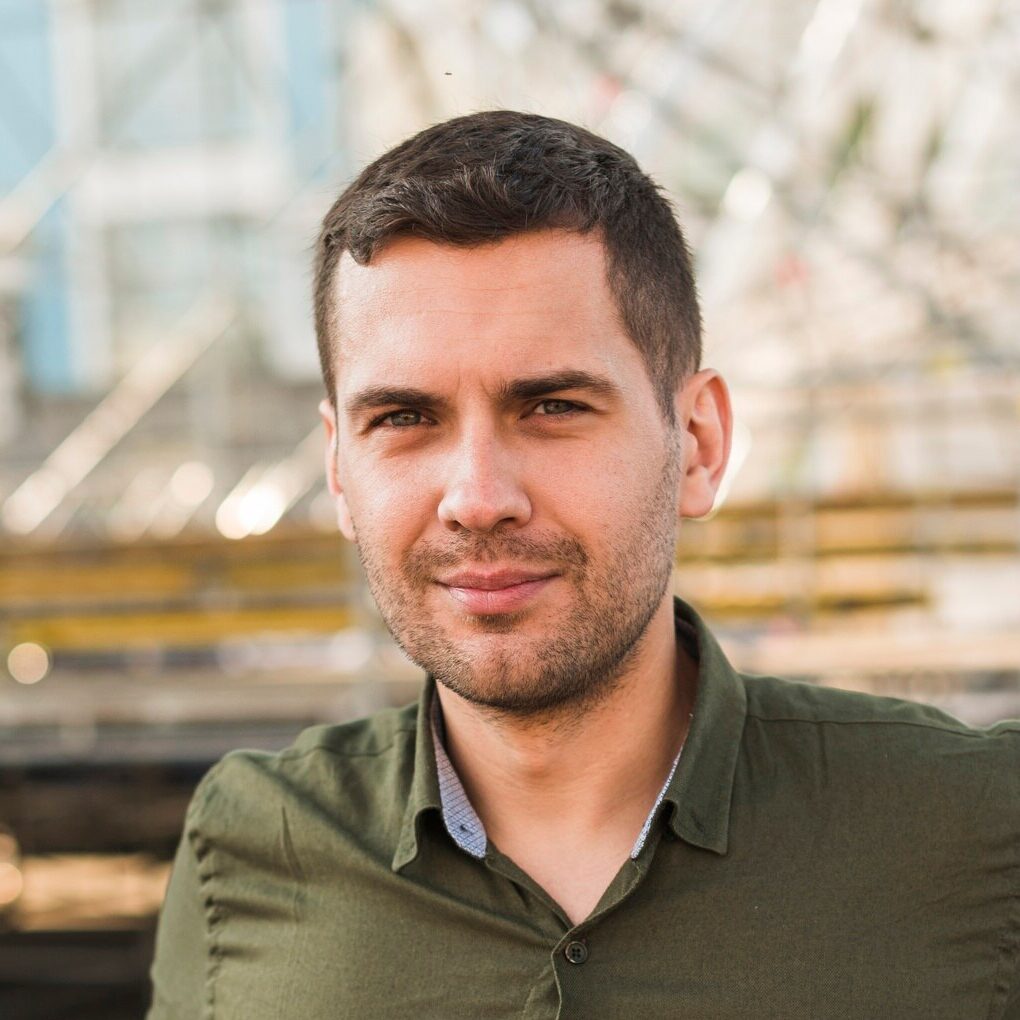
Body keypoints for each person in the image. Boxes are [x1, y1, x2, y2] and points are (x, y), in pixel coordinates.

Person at [147, 111, 1020, 1019]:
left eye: (552, 406)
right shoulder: (246, 848)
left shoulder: (977, 832)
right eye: (404, 419)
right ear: (338, 466)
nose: (478, 497)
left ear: (697, 444)